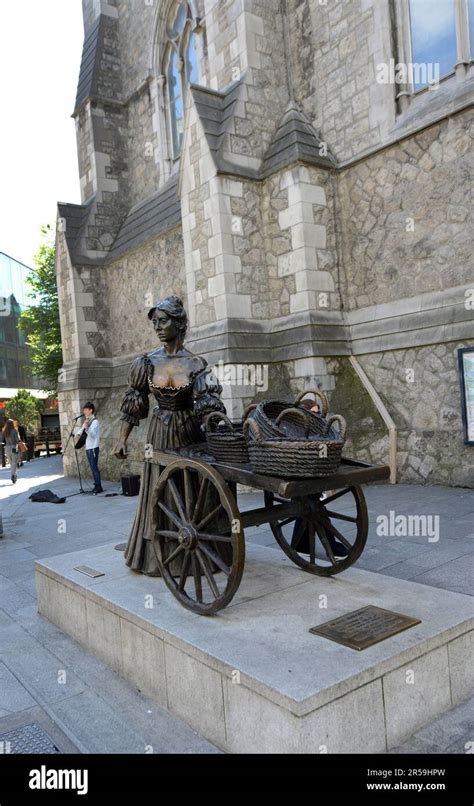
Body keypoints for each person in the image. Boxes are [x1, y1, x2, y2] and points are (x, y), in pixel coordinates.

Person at [113, 294, 226, 576]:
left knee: (190, 489)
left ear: (180, 323)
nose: (158, 327)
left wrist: (216, 427)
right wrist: (122, 438)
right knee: (160, 491)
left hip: (189, 432)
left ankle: (198, 549)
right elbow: (135, 402)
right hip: (160, 433)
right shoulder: (146, 362)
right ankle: (158, 557)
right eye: (154, 322)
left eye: (163, 321)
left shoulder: (196, 363)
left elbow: (209, 404)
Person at [80, 402, 103, 495]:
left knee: (94, 468)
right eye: (84, 409)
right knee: (92, 468)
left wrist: (86, 429)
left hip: (93, 447)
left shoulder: (95, 422)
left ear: (91, 410)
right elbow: (81, 430)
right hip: (88, 447)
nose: (84, 411)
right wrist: (76, 434)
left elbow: (93, 434)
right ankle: (96, 485)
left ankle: (99, 486)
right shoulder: (87, 420)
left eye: (85, 409)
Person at [1, 419, 20, 484]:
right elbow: (17, 440)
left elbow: (2, 440)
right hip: (14, 447)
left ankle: (14, 475)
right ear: (12, 424)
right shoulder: (15, 430)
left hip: (7, 448)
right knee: (14, 462)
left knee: (11, 463)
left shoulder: (4, 431)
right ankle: (13, 475)